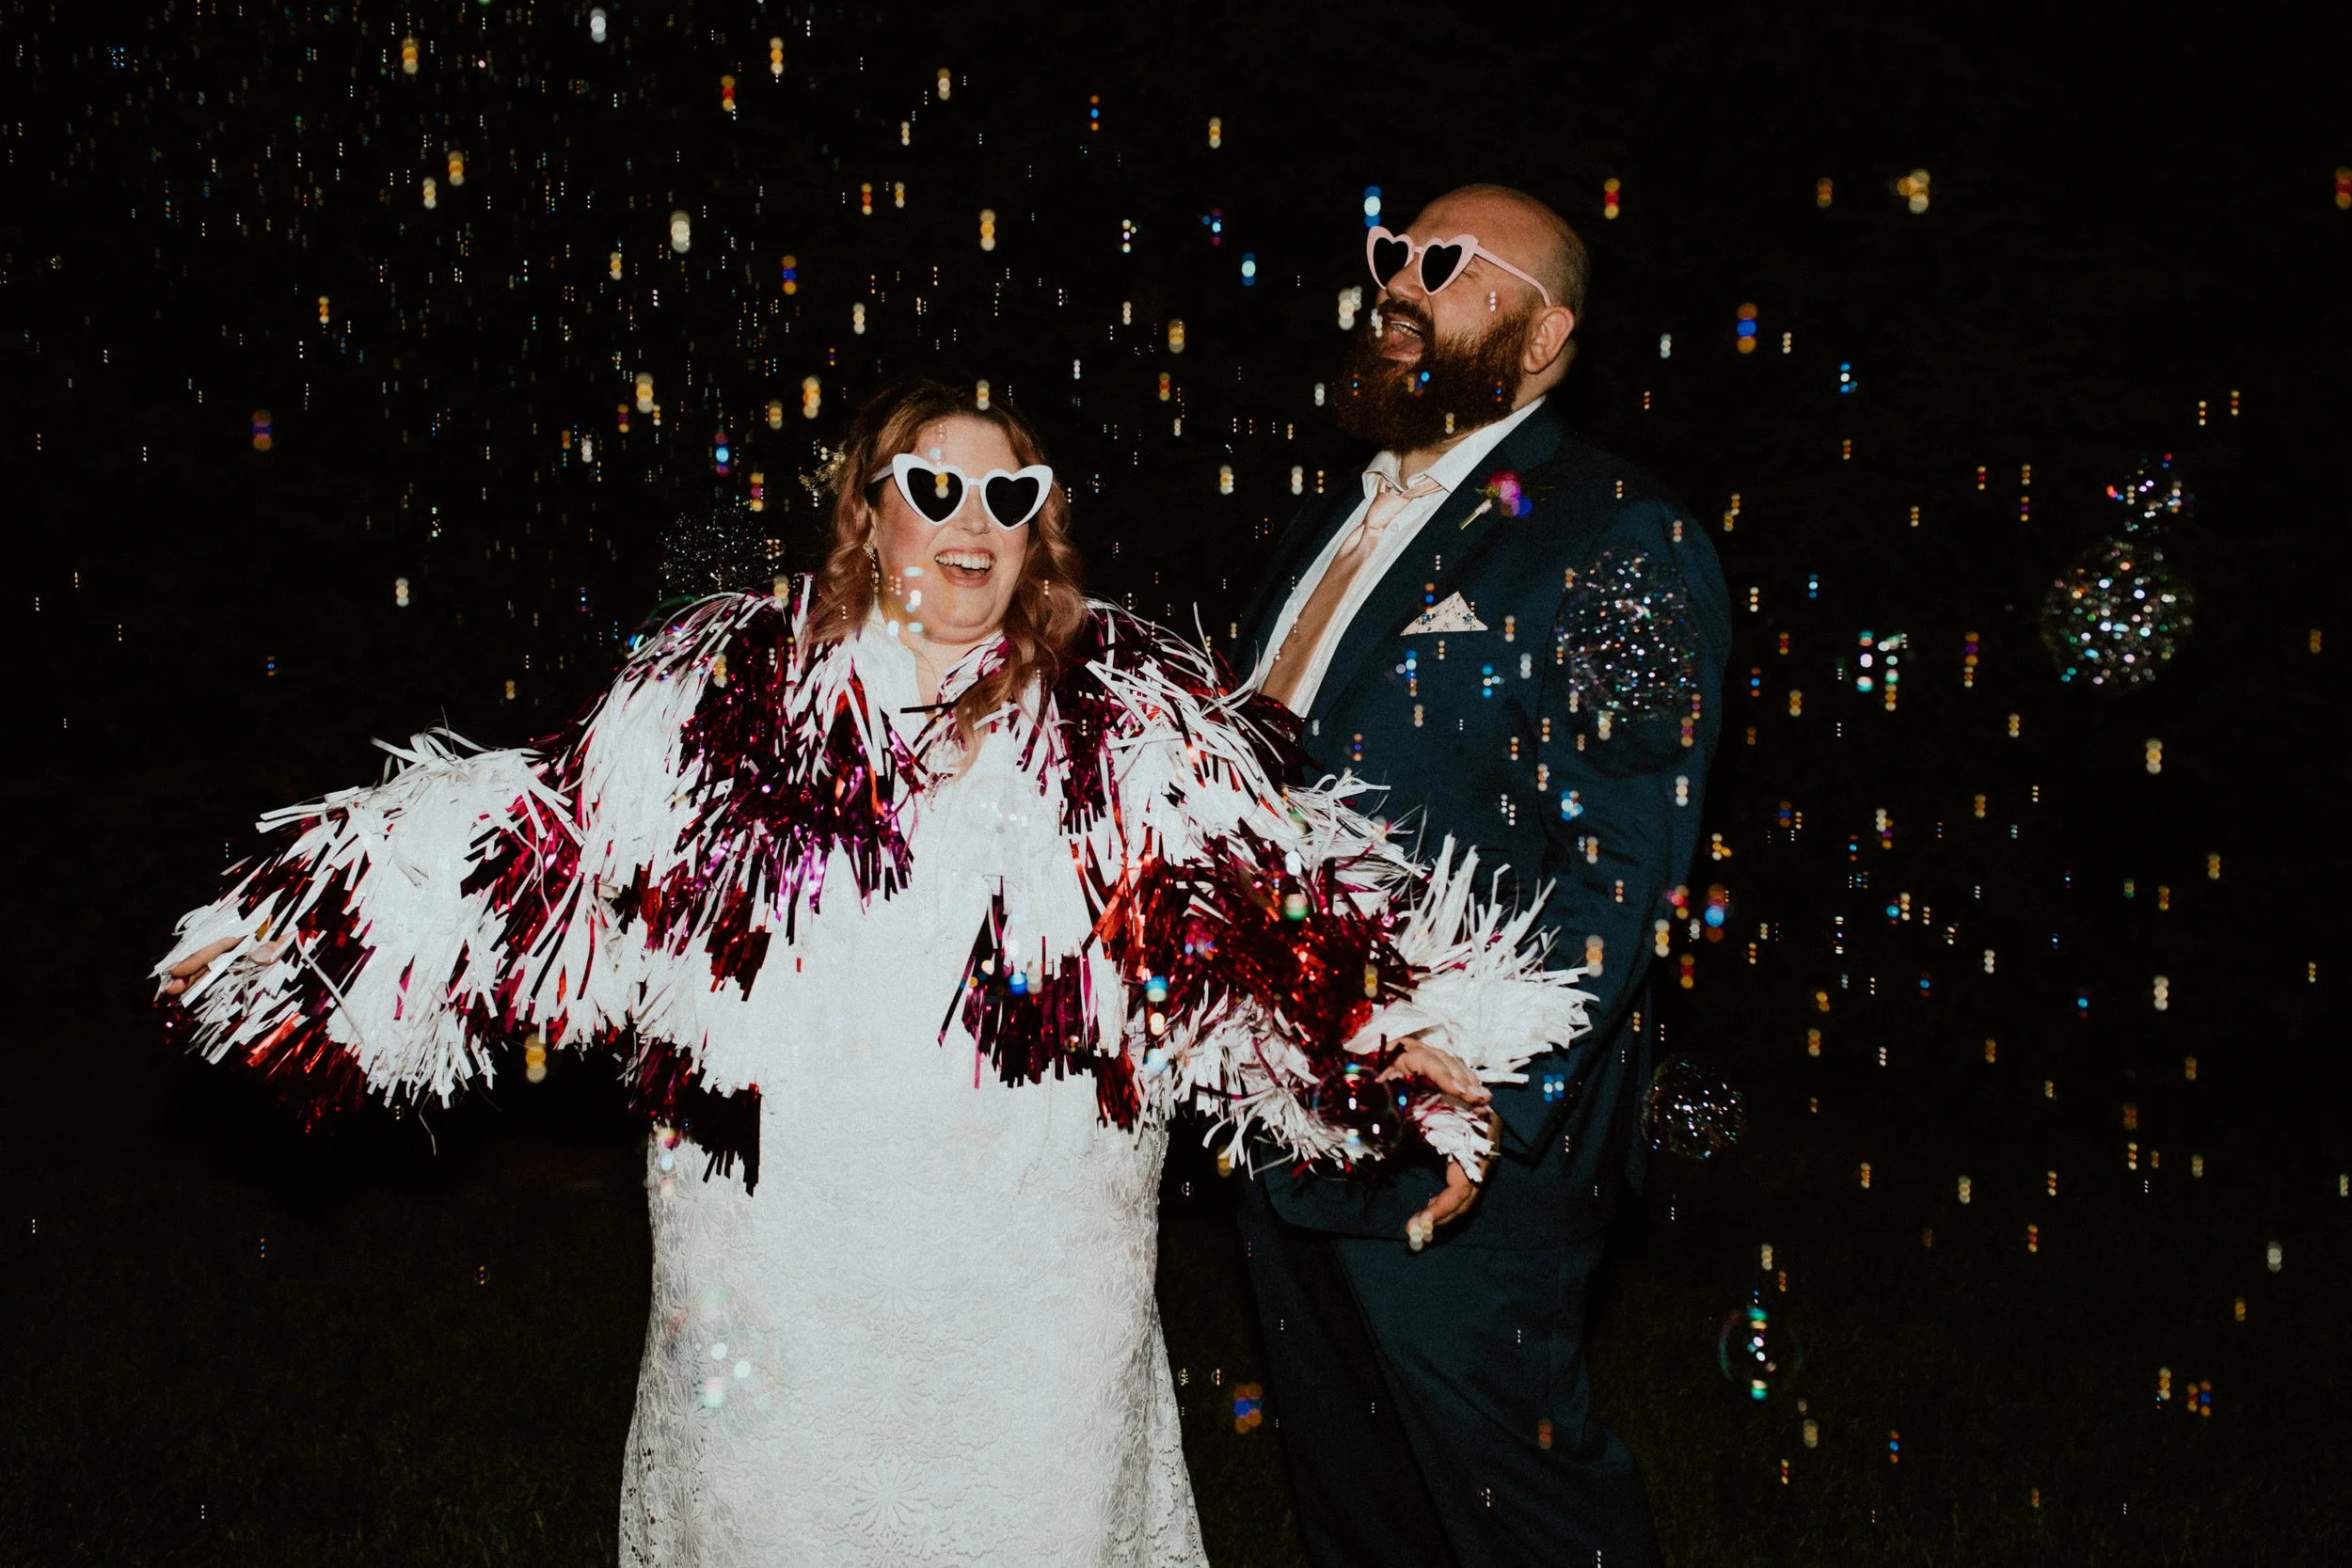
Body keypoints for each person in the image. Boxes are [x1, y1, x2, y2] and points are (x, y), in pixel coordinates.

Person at [156, 375, 1596, 1566]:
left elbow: (1262, 933)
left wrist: (1406, 1042)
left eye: (1011, 496)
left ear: (1044, 535)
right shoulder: (720, 699)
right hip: (787, 1275)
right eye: (934, 484)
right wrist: (325, 922)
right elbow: (551, 844)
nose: (974, 519)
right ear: (867, 511)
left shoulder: (1135, 735)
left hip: (1039, 1291)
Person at [1233, 185, 1730, 1567]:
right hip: (1286, 1114)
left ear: (1550, 327)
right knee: (1358, 1511)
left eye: (1445, 264)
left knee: (1526, 1521)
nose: (1399, 279)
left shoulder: (1619, 533)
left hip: (1463, 1150)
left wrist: (1482, 1099)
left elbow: (1624, 864)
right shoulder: (1331, 516)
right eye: (1390, 249)